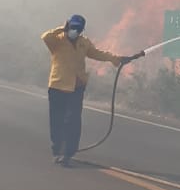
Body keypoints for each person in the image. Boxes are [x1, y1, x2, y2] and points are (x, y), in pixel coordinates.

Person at [42, 15, 144, 166]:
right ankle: (57, 151)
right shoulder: (57, 40)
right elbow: (45, 37)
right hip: (57, 86)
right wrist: (61, 28)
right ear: (68, 25)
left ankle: (68, 153)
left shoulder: (84, 43)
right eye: (73, 27)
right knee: (56, 121)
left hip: (76, 87)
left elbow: (98, 54)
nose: (75, 30)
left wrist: (117, 59)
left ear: (82, 29)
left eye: (78, 28)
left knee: (73, 122)